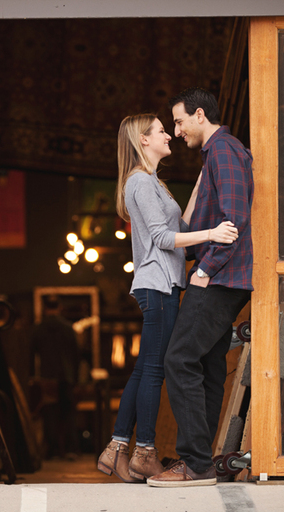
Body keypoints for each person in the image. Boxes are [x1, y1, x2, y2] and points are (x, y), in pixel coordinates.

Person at [97, 113, 238, 483]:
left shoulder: (154, 183)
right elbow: (163, 239)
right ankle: (143, 451)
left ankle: (117, 449)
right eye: (161, 130)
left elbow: (178, 227)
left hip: (164, 284)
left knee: (146, 368)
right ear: (143, 140)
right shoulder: (140, 183)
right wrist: (213, 234)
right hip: (157, 285)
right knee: (156, 369)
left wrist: (201, 185)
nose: (169, 135)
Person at [147, 88, 253, 487]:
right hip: (226, 276)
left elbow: (236, 216)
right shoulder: (215, 156)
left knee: (179, 359)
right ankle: (201, 463)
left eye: (178, 121)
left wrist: (205, 269)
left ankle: (195, 463)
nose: (176, 131)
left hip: (221, 277)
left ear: (200, 115)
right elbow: (203, 223)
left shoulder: (224, 150)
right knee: (207, 365)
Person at [31, 295, 79, 459]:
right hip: (66, 376)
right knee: (68, 413)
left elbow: (32, 355)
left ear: (45, 309)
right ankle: (70, 449)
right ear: (59, 308)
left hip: (48, 376)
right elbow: (75, 355)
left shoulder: (39, 328)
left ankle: (51, 450)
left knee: (50, 413)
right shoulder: (67, 328)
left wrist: (33, 376)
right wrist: (76, 378)